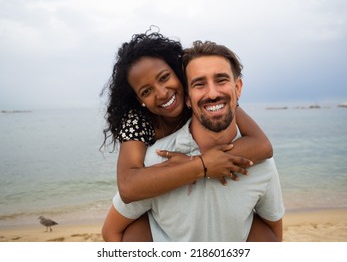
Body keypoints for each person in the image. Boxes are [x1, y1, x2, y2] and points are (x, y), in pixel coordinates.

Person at [102, 40, 285, 242]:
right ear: (140, 100)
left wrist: (201, 160)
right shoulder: (139, 125)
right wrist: (201, 165)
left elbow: (262, 146)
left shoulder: (209, 98)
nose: (162, 93)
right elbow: (128, 187)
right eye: (146, 91)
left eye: (164, 78)